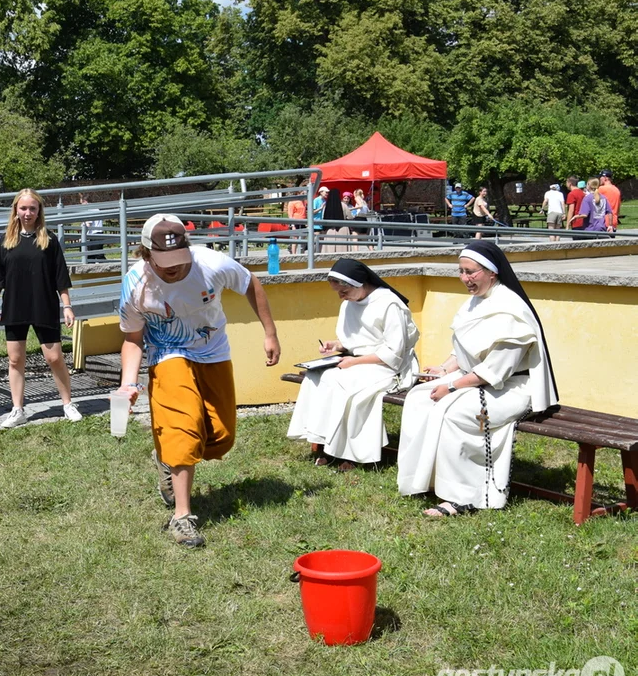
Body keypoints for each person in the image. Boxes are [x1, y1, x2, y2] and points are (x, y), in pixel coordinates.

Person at [116, 214, 281, 547]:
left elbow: (251, 284)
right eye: (164, 262)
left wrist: (270, 332)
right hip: (167, 352)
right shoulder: (135, 284)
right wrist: (128, 383)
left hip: (213, 350)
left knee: (222, 436)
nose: (174, 268)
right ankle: (182, 516)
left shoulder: (211, 263)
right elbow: (133, 338)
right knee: (183, 429)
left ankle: (166, 456)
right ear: (147, 254)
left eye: (178, 259)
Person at [397, 241, 557, 516]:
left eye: (471, 272)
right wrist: (445, 369)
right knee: (418, 399)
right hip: (473, 379)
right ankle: (426, 479)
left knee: (456, 413)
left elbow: (494, 371)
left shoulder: (510, 310)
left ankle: (463, 497)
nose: (465, 279)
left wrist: (450, 386)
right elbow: (464, 349)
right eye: (461, 271)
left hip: (510, 388)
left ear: (492, 272)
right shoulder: (476, 302)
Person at [287, 259, 420, 470]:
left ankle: (351, 454)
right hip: (358, 362)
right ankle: (324, 443)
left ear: (360, 283)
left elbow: (393, 352)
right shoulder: (349, 303)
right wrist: (336, 346)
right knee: (315, 377)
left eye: (344, 291)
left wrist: (354, 362)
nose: (341, 296)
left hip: (388, 367)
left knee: (341, 382)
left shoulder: (389, 304)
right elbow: (355, 342)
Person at [0, 189, 81, 427]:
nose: (27, 213)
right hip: (15, 306)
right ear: (16, 210)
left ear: (39, 211)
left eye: (32, 209)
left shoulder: (49, 239)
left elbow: (61, 278)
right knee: (15, 360)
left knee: (54, 356)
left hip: (43, 304)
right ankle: (18, 409)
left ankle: (67, 403)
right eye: (23, 208)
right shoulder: (7, 241)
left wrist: (66, 306)